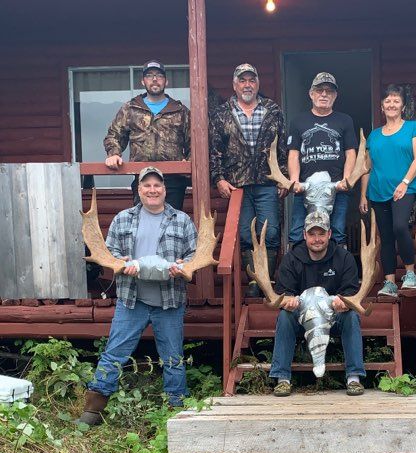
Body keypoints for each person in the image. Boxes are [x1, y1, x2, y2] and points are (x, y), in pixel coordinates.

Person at [77, 166, 198, 425]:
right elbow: (108, 253)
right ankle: (92, 411)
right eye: (147, 185)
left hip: (169, 301)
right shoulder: (123, 219)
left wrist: (183, 265)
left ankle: (176, 410)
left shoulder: (182, 220)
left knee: (173, 358)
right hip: (132, 300)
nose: (152, 190)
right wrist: (121, 263)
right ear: (139, 190)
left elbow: (194, 254)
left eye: (157, 185)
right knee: (114, 353)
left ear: (164, 190)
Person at [209, 63, 287, 297]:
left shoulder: (273, 110)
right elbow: (214, 150)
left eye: (251, 80)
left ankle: (266, 280)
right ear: (234, 85)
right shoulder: (221, 114)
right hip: (237, 185)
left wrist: (283, 177)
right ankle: (254, 281)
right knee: (245, 233)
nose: (247, 85)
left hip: (267, 182)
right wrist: (219, 179)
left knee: (270, 233)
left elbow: (282, 148)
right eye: (242, 80)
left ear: (258, 84)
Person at [269, 210, 366, 397]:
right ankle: (282, 379)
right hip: (302, 318)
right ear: (304, 235)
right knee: (285, 317)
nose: (317, 239)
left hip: (333, 317)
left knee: (351, 317)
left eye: (321, 234)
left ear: (329, 234)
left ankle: (354, 378)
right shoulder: (292, 258)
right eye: (312, 234)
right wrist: (288, 301)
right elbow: (283, 293)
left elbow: (351, 292)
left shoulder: (343, 257)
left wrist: (344, 302)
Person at [359, 84, 416, 295]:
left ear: (403, 106)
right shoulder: (374, 136)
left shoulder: (414, 128)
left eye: (396, 100)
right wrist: (363, 195)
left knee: (399, 227)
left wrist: (405, 182)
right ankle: (389, 282)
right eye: (387, 101)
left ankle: (409, 273)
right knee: (386, 236)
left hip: (404, 189)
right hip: (378, 191)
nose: (391, 104)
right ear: (381, 106)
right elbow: (367, 168)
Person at [104, 60, 191, 210]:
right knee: (143, 221)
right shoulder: (130, 109)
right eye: (150, 76)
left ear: (166, 81)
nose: (155, 79)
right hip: (142, 178)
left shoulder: (180, 110)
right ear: (143, 81)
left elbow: (194, 142)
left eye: (159, 76)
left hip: (173, 181)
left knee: (173, 221)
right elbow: (114, 135)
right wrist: (114, 153)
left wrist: (189, 162)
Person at [287, 72, 358, 246]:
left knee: (337, 232)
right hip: (306, 189)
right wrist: (294, 181)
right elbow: (294, 154)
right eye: (319, 90)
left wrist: (346, 179)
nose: (324, 94)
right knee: (297, 232)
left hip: (336, 188)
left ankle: (338, 264)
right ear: (311, 94)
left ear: (335, 96)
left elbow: (350, 153)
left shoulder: (345, 120)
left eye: (329, 91)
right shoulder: (298, 121)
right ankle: (296, 264)